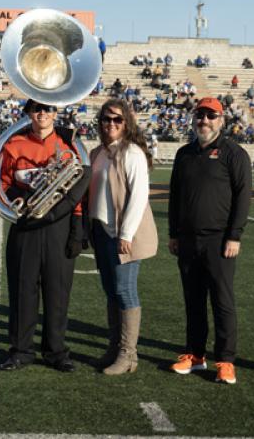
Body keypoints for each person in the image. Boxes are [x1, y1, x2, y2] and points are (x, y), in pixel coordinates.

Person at [0, 99, 91, 372]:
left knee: (57, 292)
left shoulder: (68, 146)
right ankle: (20, 350)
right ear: (28, 113)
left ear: (55, 113)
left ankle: (56, 351)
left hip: (59, 229)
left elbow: (76, 193)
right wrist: (21, 197)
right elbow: (2, 184)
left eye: (48, 109)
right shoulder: (13, 145)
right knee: (23, 291)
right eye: (37, 108)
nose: (42, 113)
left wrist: (76, 230)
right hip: (25, 226)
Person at [168, 97, 251, 385]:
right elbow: (175, 196)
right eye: (200, 115)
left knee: (222, 301)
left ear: (222, 120)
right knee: (193, 300)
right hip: (188, 240)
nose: (204, 121)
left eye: (211, 116)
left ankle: (226, 360)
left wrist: (235, 235)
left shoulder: (234, 153)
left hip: (219, 241)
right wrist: (173, 233)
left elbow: (243, 197)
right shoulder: (184, 153)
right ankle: (195, 354)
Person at [88, 99, 158, 375]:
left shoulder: (132, 153)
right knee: (110, 291)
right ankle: (114, 347)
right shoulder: (97, 153)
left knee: (124, 291)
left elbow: (138, 197)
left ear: (127, 123)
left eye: (118, 120)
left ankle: (129, 355)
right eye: (107, 119)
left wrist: (126, 234)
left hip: (124, 235)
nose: (111, 124)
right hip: (102, 231)